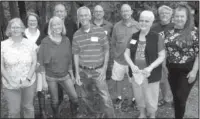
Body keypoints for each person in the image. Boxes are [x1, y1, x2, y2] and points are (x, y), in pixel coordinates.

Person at [72, 6, 115, 118]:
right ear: (78, 17)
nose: (83, 17)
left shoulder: (100, 31)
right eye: (81, 15)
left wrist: (104, 69)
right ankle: (93, 115)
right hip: (83, 71)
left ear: (90, 16)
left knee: (105, 97)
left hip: (98, 70)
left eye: (86, 15)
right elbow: (75, 55)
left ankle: (111, 116)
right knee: (86, 97)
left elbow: (106, 50)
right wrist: (77, 73)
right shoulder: (76, 35)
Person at [124, 10, 166, 118]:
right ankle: (142, 114)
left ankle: (152, 115)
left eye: (146, 21)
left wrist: (151, 67)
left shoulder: (157, 37)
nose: (143, 23)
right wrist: (132, 66)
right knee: (139, 95)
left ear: (151, 23)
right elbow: (126, 54)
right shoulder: (133, 36)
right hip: (136, 73)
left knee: (151, 96)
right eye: (141, 20)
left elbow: (162, 56)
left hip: (150, 73)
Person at [38, 16, 79, 118]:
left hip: (65, 75)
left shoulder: (66, 40)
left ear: (62, 26)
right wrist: (43, 81)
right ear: (51, 27)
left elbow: (69, 60)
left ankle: (74, 114)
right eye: (54, 25)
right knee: (55, 101)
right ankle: (56, 115)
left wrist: (72, 76)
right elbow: (41, 62)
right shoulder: (45, 41)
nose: (57, 27)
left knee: (75, 98)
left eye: (59, 24)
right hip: (51, 77)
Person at [164, 3, 199, 119]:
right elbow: (162, 49)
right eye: (177, 16)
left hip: (188, 70)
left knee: (180, 97)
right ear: (173, 17)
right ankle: (178, 113)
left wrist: (194, 71)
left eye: (182, 16)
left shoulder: (194, 31)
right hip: (171, 69)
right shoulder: (168, 31)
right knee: (176, 96)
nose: (179, 19)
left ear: (187, 17)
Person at [1, 18, 37, 118]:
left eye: (18, 27)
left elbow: (34, 63)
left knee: (28, 107)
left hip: (29, 82)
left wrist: (28, 79)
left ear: (22, 29)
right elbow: (1, 66)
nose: (15, 29)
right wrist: (10, 81)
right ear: (9, 29)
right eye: (13, 27)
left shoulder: (30, 44)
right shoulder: (3, 45)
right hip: (10, 84)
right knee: (14, 111)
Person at [111, 4, 140, 110]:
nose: (125, 13)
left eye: (127, 11)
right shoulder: (116, 26)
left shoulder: (138, 25)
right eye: (123, 11)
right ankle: (119, 98)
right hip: (119, 60)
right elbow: (113, 42)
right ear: (120, 13)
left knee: (133, 81)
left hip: (133, 61)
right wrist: (115, 54)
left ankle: (133, 99)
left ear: (131, 12)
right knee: (118, 80)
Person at [24, 12, 48, 118]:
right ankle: (30, 112)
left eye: (34, 20)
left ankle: (42, 111)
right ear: (27, 22)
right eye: (30, 20)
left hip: (39, 65)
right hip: (25, 67)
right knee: (29, 90)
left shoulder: (42, 34)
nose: (32, 22)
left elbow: (45, 50)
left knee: (41, 89)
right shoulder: (22, 34)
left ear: (37, 22)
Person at [151, 5, 174, 107]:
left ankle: (176, 99)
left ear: (171, 15)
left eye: (167, 13)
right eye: (162, 13)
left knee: (175, 79)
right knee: (163, 80)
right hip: (159, 57)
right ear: (159, 15)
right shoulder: (154, 27)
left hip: (174, 58)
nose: (164, 15)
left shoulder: (176, 26)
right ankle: (166, 98)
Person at [92, 5, 113, 80]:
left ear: (103, 13)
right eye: (96, 11)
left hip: (106, 58)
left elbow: (112, 41)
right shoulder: (88, 25)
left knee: (107, 78)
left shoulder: (109, 25)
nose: (98, 13)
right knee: (93, 80)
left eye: (100, 11)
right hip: (92, 58)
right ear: (93, 13)